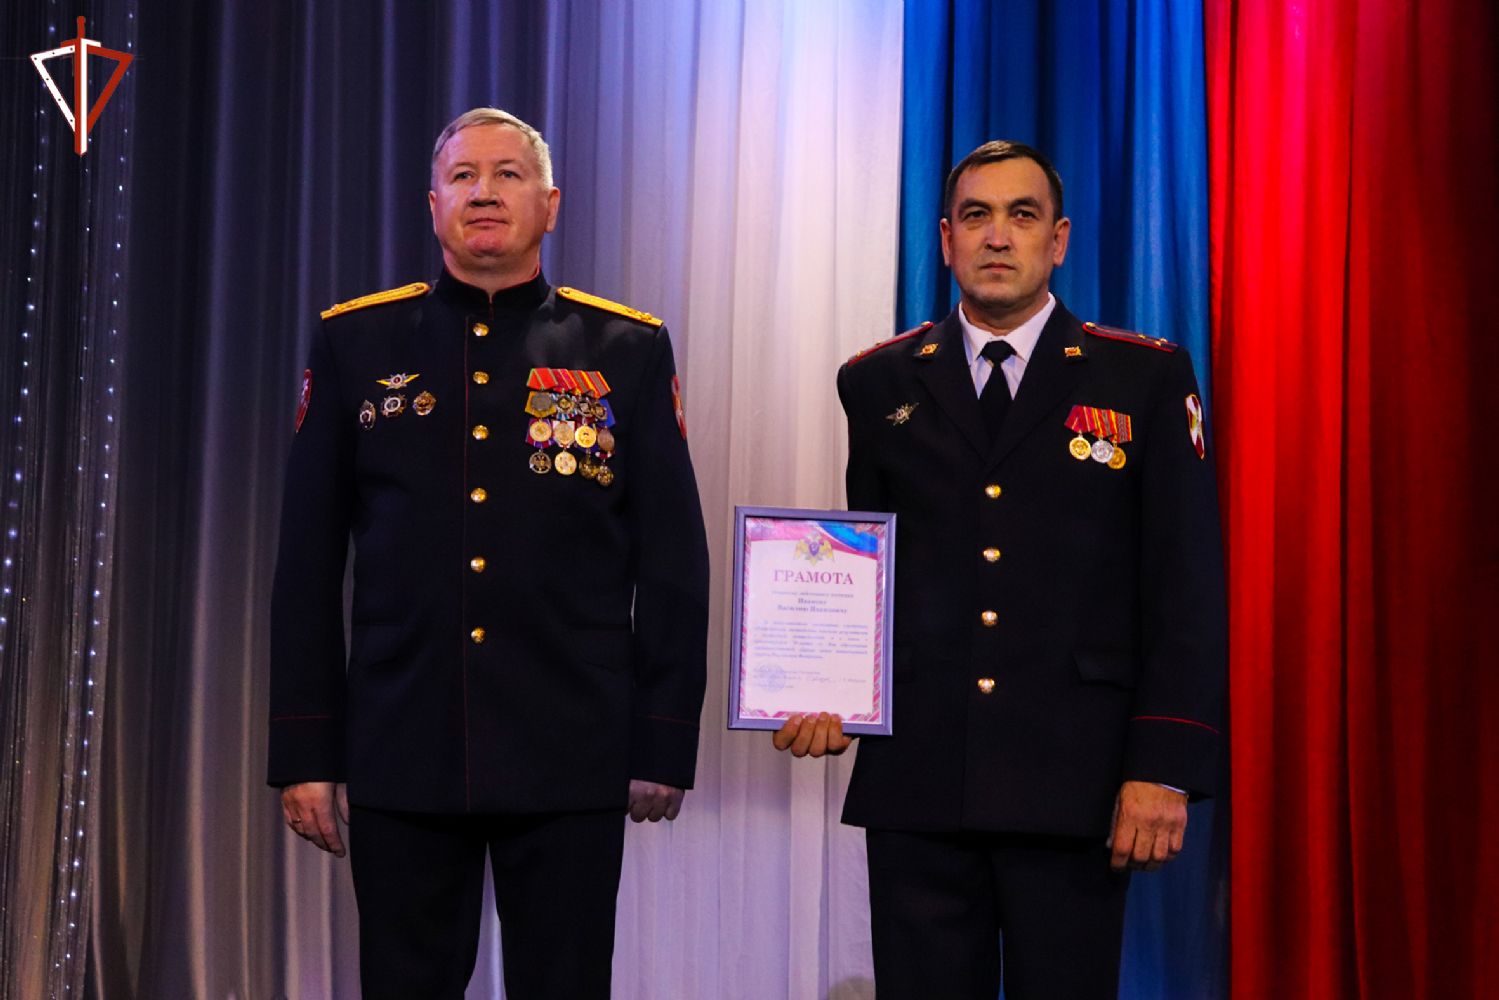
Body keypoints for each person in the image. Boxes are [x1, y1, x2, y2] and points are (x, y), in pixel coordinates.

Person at [267, 107, 709, 1000]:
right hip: (404, 740)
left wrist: (662, 740)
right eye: (462, 176)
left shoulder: (625, 349)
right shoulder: (357, 342)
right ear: (432, 205)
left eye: (507, 174)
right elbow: (306, 564)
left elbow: (672, 562)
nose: (483, 193)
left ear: (550, 205)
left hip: (570, 745)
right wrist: (306, 750)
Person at [773, 140, 1226, 998]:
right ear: (945, 240)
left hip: (1076, 779)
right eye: (975, 216)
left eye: (1021, 215)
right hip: (920, 778)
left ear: (1057, 240)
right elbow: (868, 577)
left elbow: (1185, 588)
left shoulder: (1141, 377)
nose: (996, 235)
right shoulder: (877, 382)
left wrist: (1163, 765)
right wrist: (825, 686)